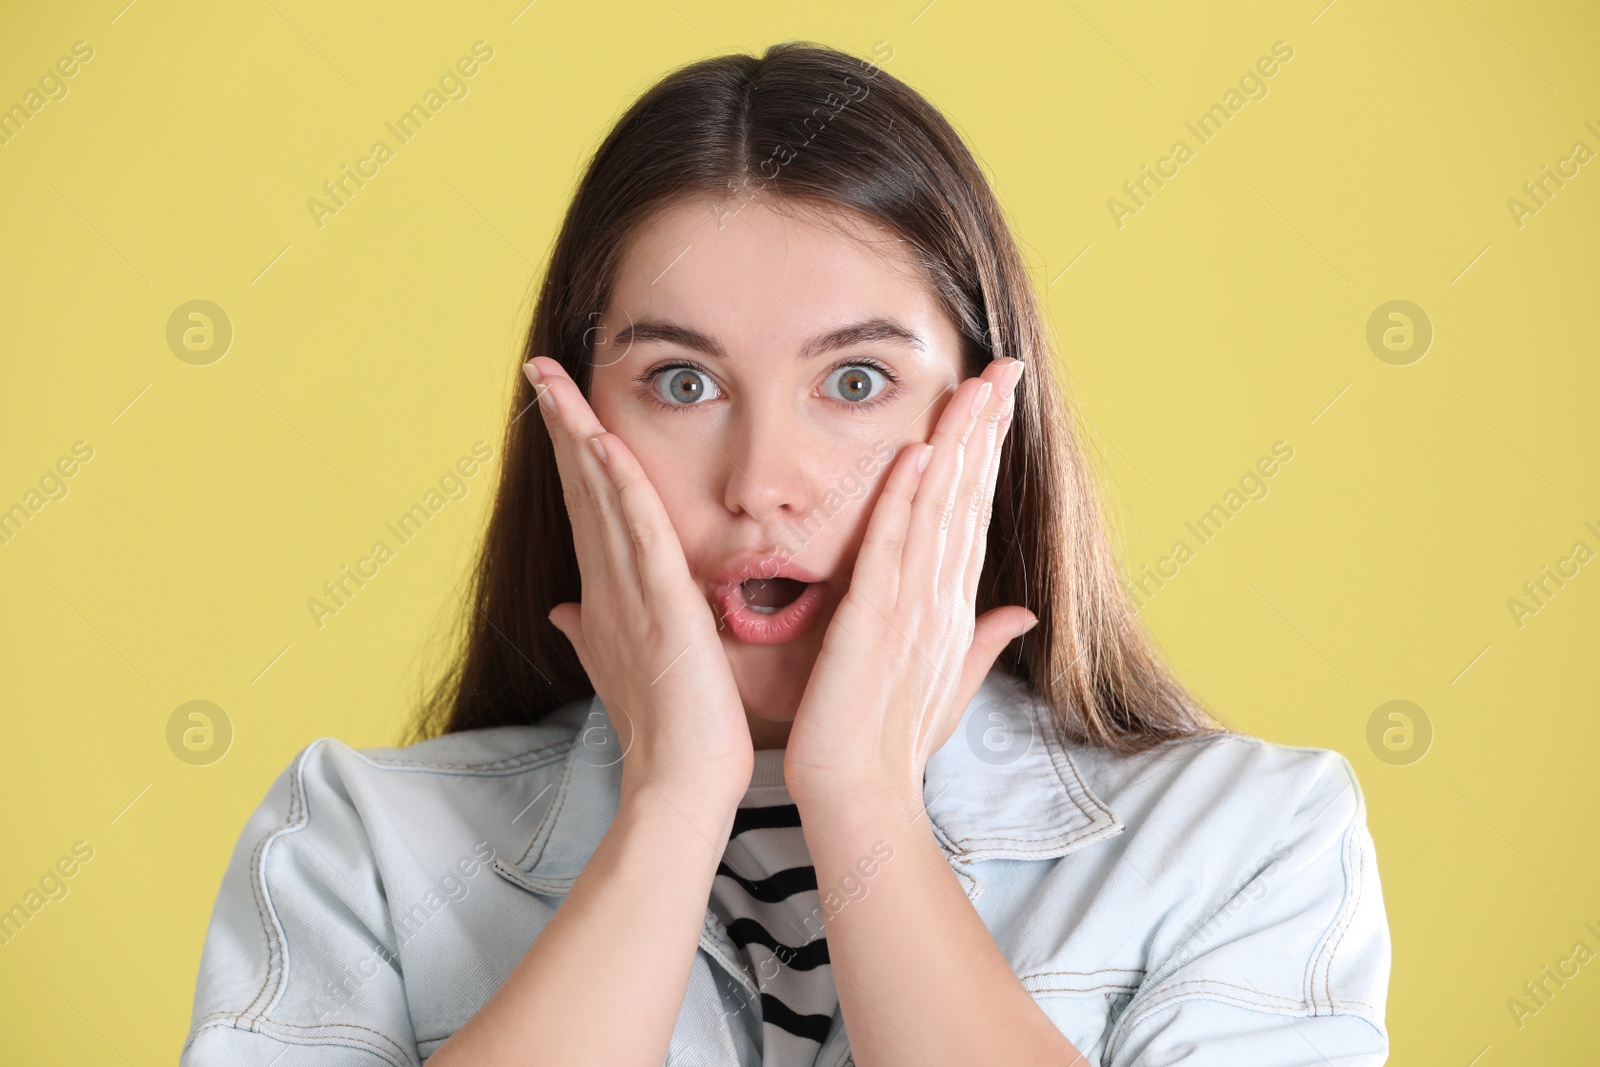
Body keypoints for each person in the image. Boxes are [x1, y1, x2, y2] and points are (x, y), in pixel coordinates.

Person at [180, 42, 1391, 1067]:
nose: (761, 483)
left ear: (980, 419)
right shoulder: (358, 844)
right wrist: (671, 798)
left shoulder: (1249, 839)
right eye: (682, 381)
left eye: (856, 381)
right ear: (574, 425)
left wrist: (861, 794)